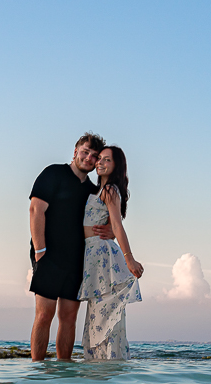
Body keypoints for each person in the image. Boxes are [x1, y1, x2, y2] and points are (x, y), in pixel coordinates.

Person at [28, 133, 113, 361]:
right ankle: (38, 370)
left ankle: (64, 372)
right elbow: (36, 210)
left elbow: (110, 221)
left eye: (94, 156)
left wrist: (111, 231)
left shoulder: (94, 191)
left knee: (68, 317)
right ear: (75, 151)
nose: (88, 158)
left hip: (78, 260)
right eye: (85, 152)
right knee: (44, 315)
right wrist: (40, 250)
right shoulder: (54, 173)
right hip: (48, 255)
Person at [78, 145, 143, 360]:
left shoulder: (110, 190)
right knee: (97, 312)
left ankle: (107, 364)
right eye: (100, 159)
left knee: (104, 312)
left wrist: (130, 259)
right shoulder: (99, 189)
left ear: (116, 166)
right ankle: (98, 368)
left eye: (107, 160)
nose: (100, 163)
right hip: (94, 256)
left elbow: (117, 225)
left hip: (103, 256)